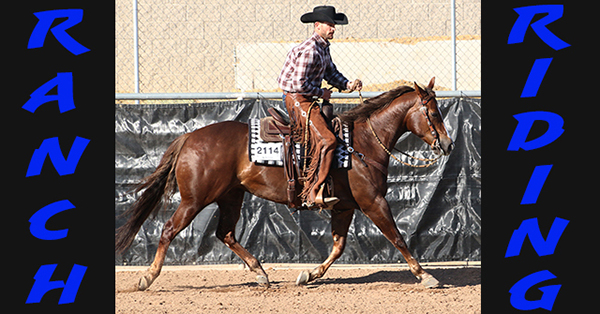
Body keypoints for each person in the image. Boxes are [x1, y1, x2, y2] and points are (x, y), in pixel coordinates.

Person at [277, 5, 362, 209]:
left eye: (334, 25)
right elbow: (298, 84)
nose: (333, 29)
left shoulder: (323, 47)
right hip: (298, 99)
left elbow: (331, 73)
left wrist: (348, 85)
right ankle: (312, 191)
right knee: (328, 139)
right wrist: (320, 93)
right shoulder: (310, 49)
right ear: (317, 26)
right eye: (329, 25)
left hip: (306, 98)